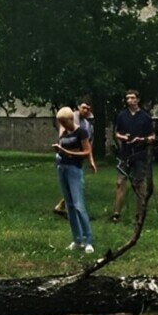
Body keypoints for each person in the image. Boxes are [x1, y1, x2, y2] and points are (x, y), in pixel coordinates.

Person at [54, 107, 94, 253]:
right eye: (60, 123)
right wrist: (59, 151)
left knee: (78, 205)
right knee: (69, 206)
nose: (63, 126)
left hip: (74, 170)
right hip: (61, 168)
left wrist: (67, 152)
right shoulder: (64, 133)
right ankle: (77, 239)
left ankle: (88, 240)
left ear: (71, 119)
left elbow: (86, 151)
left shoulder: (81, 132)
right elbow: (63, 148)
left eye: (64, 122)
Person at [111, 89, 155, 224]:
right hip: (125, 154)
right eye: (127, 98)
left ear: (138, 99)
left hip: (140, 155)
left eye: (132, 98)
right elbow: (116, 133)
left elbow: (152, 136)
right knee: (120, 183)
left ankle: (139, 215)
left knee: (139, 185)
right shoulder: (122, 116)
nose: (129, 100)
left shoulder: (145, 117)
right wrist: (123, 137)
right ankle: (116, 214)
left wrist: (143, 140)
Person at [53, 98, 97, 217]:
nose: (86, 110)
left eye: (88, 108)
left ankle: (65, 207)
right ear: (78, 107)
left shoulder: (87, 125)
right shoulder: (70, 117)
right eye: (83, 107)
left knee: (77, 184)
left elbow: (87, 145)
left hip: (78, 158)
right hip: (66, 158)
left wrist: (91, 161)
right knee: (73, 184)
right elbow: (62, 137)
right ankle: (71, 210)